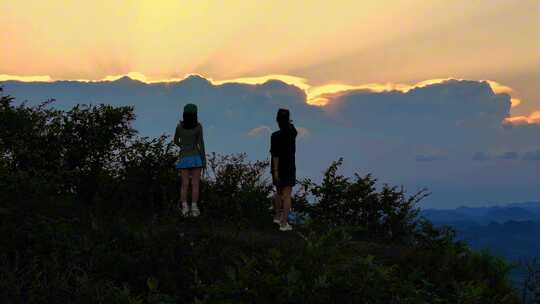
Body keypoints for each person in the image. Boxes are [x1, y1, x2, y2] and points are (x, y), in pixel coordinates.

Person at [173, 103, 206, 217]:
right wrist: (204, 160)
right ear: (195, 114)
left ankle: (184, 208)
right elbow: (201, 144)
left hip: (183, 158)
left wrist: (183, 146)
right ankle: (195, 208)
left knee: (184, 184)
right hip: (196, 158)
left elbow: (175, 140)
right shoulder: (198, 127)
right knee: (195, 184)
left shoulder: (179, 127)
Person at [270, 108, 297, 231]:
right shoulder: (292, 132)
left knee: (279, 192)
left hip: (278, 168)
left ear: (277, 120)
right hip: (289, 167)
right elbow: (291, 126)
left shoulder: (275, 136)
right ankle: (284, 223)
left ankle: (277, 217)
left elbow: (275, 155)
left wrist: (275, 171)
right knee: (287, 195)